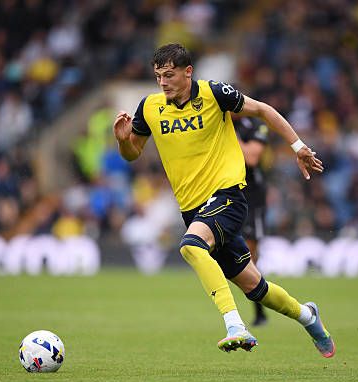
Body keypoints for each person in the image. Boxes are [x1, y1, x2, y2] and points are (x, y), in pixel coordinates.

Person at [113, 43, 334, 357]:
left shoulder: (214, 94)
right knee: (256, 288)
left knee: (191, 246)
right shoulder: (149, 107)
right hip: (193, 210)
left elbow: (264, 110)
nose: (163, 82)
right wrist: (123, 141)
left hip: (227, 196)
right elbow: (132, 153)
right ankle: (308, 316)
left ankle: (235, 326)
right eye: (158, 76)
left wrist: (298, 147)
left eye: (169, 75)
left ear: (188, 72)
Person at [235, 116, 269, 326]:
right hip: (225, 194)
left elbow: (252, 158)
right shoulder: (212, 118)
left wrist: (229, 134)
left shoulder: (256, 126)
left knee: (249, 255)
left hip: (251, 199)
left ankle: (260, 310)